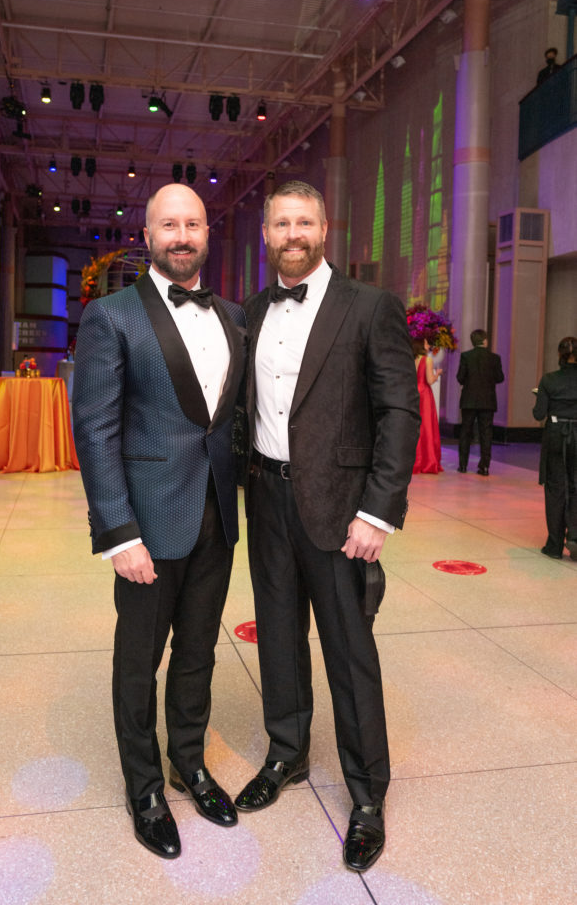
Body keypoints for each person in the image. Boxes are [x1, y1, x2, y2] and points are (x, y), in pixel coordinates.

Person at [234, 180, 420, 872]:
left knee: (349, 653)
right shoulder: (251, 310)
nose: (292, 233)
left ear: (324, 228)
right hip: (268, 501)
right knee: (278, 640)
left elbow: (398, 413)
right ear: (265, 234)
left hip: (342, 512)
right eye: (280, 222)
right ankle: (285, 754)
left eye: (303, 221)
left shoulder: (370, 307)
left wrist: (377, 511)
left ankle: (367, 797)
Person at [72, 183, 246, 859]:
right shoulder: (112, 316)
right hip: (146, 525)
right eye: (168, 224)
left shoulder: (233, 316)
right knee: (138, 659)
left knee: (199, 653)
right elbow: (94, 430)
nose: (181, 235)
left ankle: (188, 763)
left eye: (192, 223)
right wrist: (118, 532)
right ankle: (144, 786)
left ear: (207, 234)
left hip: (215, 519)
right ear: (146, 235)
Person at [532, 336, 577, 560]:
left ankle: (555, 544)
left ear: (560, 355)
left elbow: (539, 414)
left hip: (556, 435)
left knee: (555, 488)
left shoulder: (549, 380)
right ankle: (576, 537)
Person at [456, 328, 505, 476]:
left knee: (466, 432)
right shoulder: (494, 358)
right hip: (487, 401)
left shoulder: (466, 356)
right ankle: (484, 467)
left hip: (469, 400)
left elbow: (460, 378)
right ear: (485, 340)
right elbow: (500, 378)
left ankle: (463, 465)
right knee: (486, 433)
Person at [412, 337, 443, 474]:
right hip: (424, 394)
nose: (428, 345)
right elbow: (429, 380)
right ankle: (427, 461)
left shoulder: (412, 359)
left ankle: (414, 460)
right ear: (421, 345)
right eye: (425, 343)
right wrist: (437, 374)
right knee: (426, 427)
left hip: (413, 393)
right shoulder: (427, 360)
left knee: (415, 427)